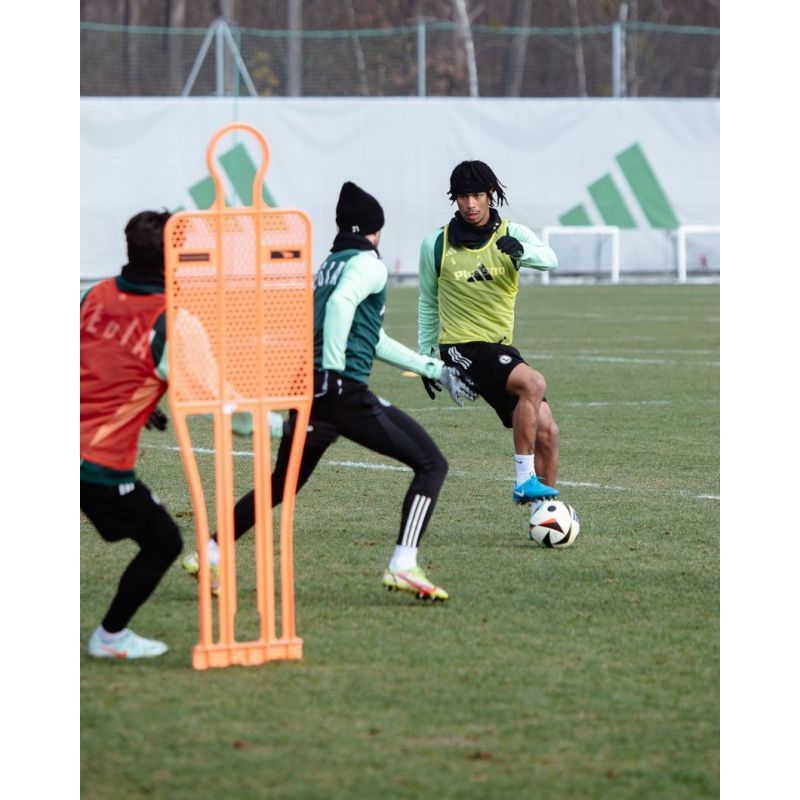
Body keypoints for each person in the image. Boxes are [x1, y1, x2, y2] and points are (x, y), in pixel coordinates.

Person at [182, 181, 476, 601]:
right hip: (338, 390)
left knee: (282, 483)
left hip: (307, 388)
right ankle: (403, 563)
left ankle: (210, 551)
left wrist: (432, 368)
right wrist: (335, 374)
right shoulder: (368, 264)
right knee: (432, 463)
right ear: (375, 230)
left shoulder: (329, 265)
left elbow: (371, 339)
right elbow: (340, 308)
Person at [417, 160, 561, 505]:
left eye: (477, 195)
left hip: (500, 350)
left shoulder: (512, 234)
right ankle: (524, 479)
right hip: (461, 347)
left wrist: (522, 252)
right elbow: (427, 302)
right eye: (463, 196)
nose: (470, 204)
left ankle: (543, 516)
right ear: (454, 199)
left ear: (490, 194)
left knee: (548, 433)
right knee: (533, 383)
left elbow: (550, 259)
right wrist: (426, 359)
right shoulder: (436, 243)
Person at [80, 210, 182, 659]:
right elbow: (233, 415)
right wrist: (281, 423)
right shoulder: (170, 320)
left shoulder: (93, 293)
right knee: (164, 542)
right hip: (96, 463)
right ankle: (110, 637)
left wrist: (140, 402)